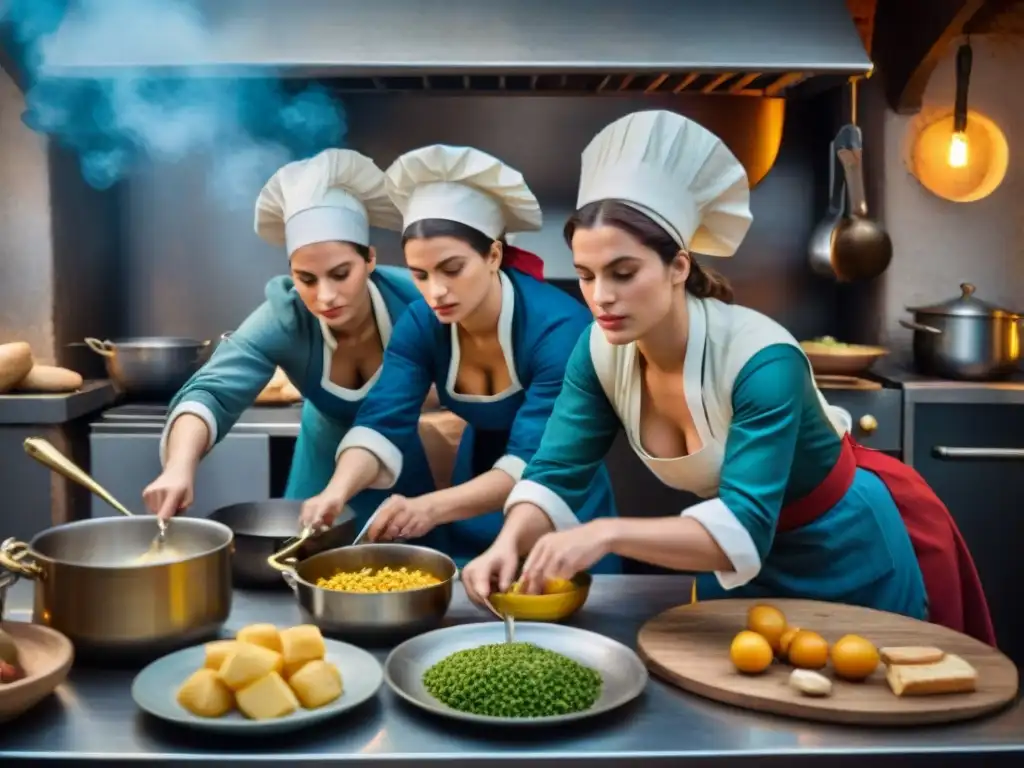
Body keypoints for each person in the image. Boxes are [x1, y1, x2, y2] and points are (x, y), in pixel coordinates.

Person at [462, 111, 996, 645]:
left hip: (842, 549)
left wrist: (604, 535)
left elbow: (742, 524)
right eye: (586, 275)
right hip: (733, 559)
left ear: (678, 267)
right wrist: (510, 540)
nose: (601, 296)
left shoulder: (762, 361)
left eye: (623, 273)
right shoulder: (599, 350)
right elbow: (557, 467)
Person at [298, 144, 621, 568]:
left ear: (493, 255)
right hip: (474, 492)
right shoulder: (421, 323)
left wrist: (429, 508)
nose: (436, 291)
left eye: (452, 269)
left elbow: (534, 460)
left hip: (562, 499)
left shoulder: (559, 331)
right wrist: (335, 492)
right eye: (420, 274)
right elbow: (382, 421)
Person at [143, 148, 449, 540]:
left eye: (341, 274)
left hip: (401, 467)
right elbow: (212, 391)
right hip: (320, 471)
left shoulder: (417, 301)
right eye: (307, 278)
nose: (326, 297)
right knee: (309, 564)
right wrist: (179, 466)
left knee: (411, 567)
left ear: (370, 259)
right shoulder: (284, 315)